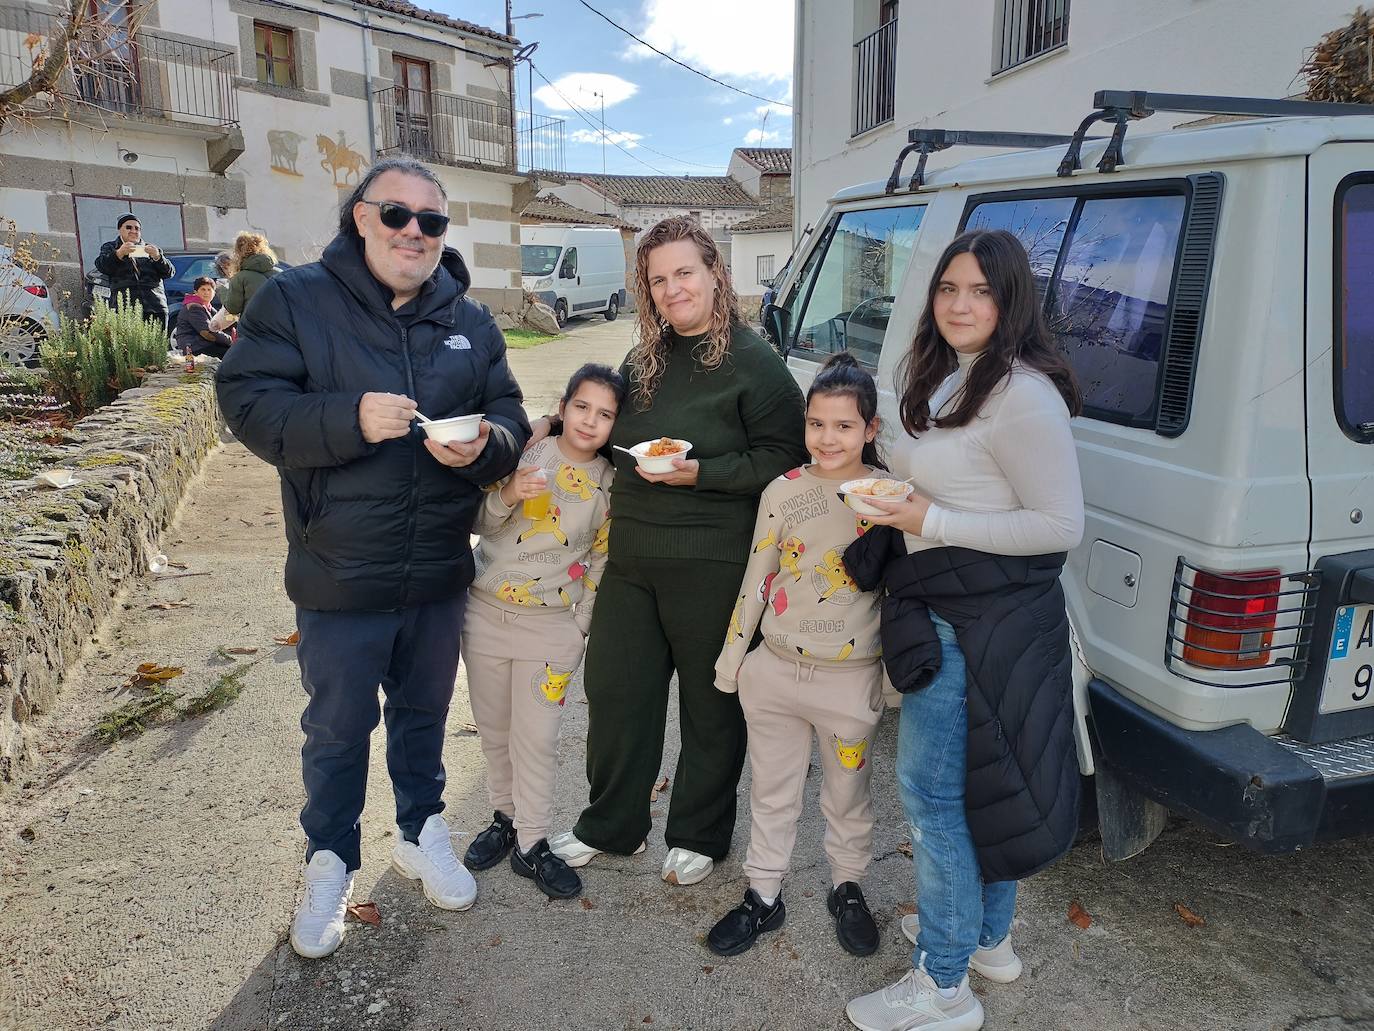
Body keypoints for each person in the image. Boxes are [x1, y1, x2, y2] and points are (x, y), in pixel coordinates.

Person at [215, 157, 530, 961]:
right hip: (338, 566)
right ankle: (330, 857)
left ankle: (421, 830)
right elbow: (247, 404)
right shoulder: (295, 299)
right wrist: (350, 416)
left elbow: (509, 418)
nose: (415, 233)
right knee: (336, 727)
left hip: (434, 568)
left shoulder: (468, 317)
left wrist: (485, 448)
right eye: (398, 214)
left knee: (423, 719)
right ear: (361, 217)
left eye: (432, 220)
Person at [841, 229, 1084, 1031]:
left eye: (980, 290)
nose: (960, 304)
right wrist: (889, 472)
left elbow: (1058, 525)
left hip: (982, 619)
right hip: (955, 605)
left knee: (934, 796)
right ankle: (983, 936)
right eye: (949, 287)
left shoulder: (1023, 394)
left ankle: (942, 986)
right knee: (990, 780)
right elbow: (950, 472)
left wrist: (928, 517)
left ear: (1011, 299)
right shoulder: (948, 372)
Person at [527, 216, 808, 887]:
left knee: (711, 705)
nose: (673, 288)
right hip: (632, 556)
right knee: (617, 691)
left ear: (715, 272)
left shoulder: (754, 361)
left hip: (714, 560)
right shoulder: (642, 359)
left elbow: (786, 456)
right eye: (659, 279)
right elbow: (601, 427)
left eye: (685, 272)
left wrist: (701, 473)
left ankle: (699, 833)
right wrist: (546, 423)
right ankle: (612, 824)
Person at [706, 351, 886, 959]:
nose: (827, 438)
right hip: (777, 671)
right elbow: (757, 577)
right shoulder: (782, 491)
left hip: (850, 680)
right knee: (773, 788)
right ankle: (763, 893)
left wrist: (888, 680)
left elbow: (904, 592)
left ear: (870, 429)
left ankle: (849, 886)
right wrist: (735, 658)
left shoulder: (888, 498)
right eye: (817, 424)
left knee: (848, 793)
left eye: (844, 426)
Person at [461, 363, 622, 901]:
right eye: (582, 406)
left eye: (605, 414)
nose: (590, 421)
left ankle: (532, 842)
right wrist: (507, 495)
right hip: (484, 615)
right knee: (494, 730)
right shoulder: (527, 452)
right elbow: (478, 523)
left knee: (538, 739)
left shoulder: (607, 484)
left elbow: (602, 559)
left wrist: (580, 625)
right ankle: (503, 817)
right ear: (564, 404)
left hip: (552, 628)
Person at [94, 213, 175, 329]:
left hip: (155, 307)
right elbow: (102, 267)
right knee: (127, 345)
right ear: (119, 230)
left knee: (157, 345)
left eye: (137, 228)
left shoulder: (151, 248)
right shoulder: (110, 247)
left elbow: (169, 273)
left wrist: (158, 257)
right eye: (128, 227)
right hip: (125, 309)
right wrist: (119, 253)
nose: (133, 231)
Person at [173, 276, 233, 358]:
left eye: (209, 290)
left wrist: (235, 320)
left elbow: (221, 322)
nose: (206, 292)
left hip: (203, 344)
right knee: (232, 353)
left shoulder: (208, 307)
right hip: (194, 346)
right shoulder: (194, 307)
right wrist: (230, 340)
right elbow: (207, 332)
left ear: (214, 293)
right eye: (203, 289)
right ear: (196, 292)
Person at [224, 231, 279, 317]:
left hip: (253, 326)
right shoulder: (280, 273)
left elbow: (233, 309)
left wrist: (223, 292)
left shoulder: (240, 278)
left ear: (238, 253)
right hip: (281, 326)